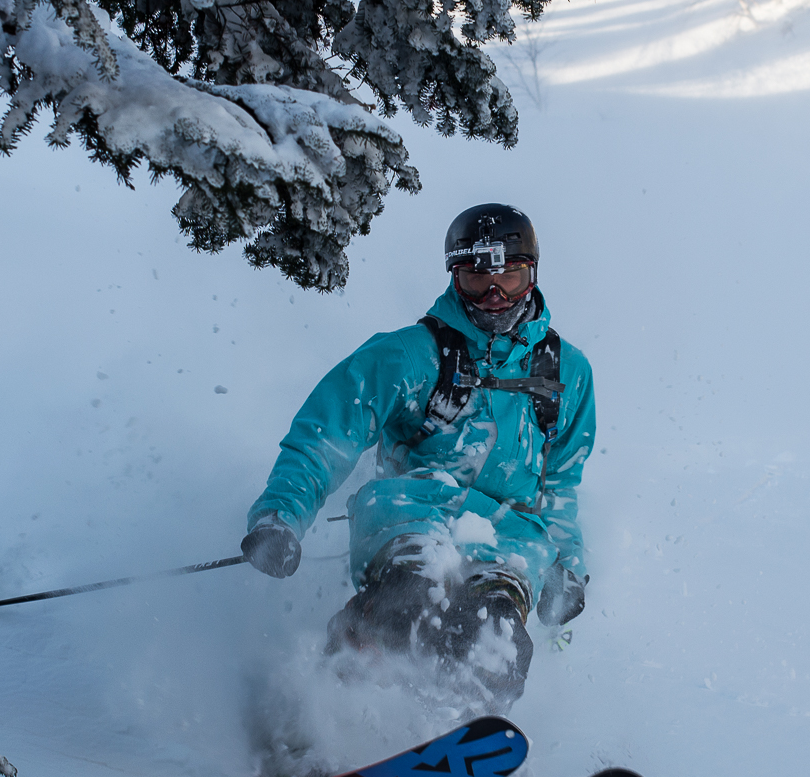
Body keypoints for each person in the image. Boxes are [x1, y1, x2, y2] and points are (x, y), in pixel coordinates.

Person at [239, 203, 595, 709]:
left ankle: (464, 740)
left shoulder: (566, 374)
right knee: (408, 602)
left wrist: (569, 566)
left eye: (509, 279)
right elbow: (325, 436)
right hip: (412, 518)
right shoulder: (410, 355)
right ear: (454, 278)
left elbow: (560, 483)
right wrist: (282, 516)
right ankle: (321, 716)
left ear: (532, 275)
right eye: (477, 281)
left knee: (496, 636)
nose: (494, 298)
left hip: (509, 539)